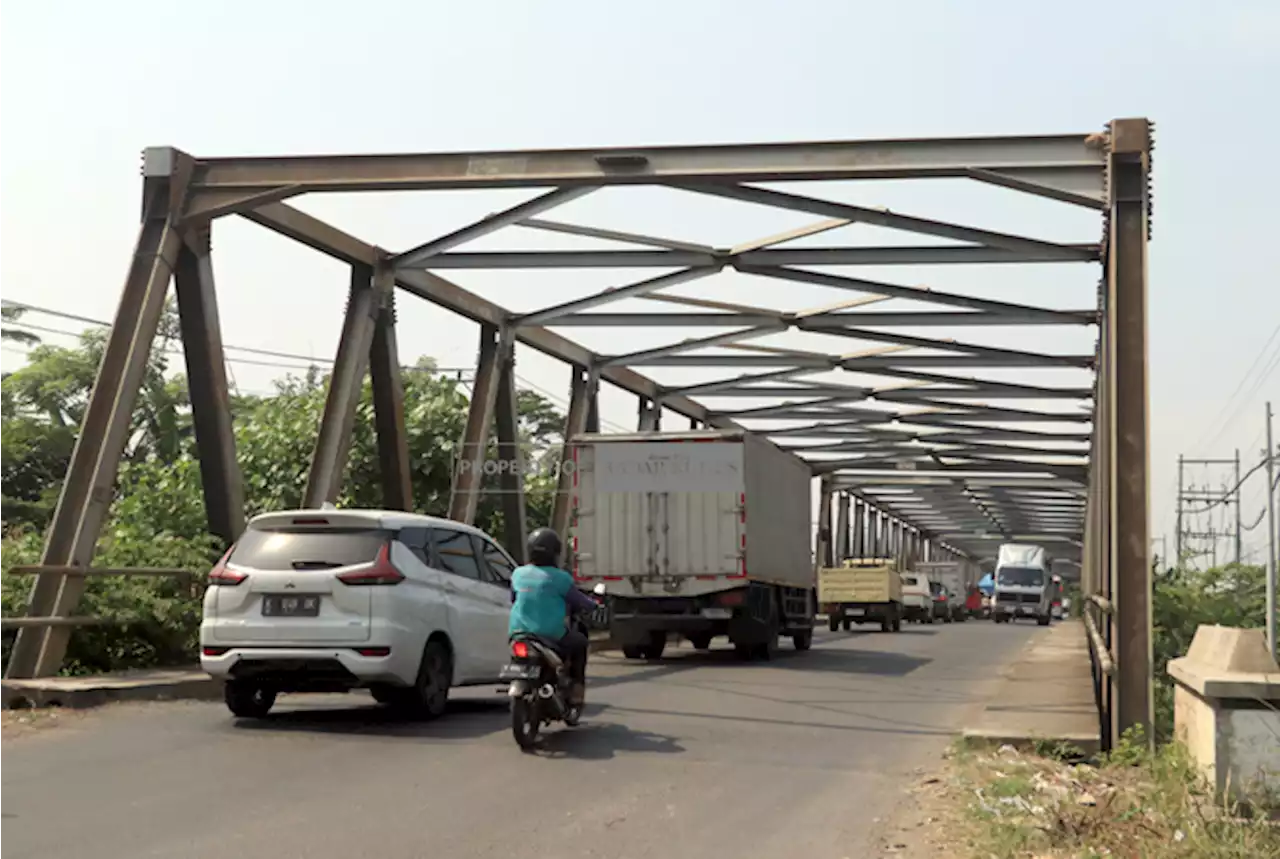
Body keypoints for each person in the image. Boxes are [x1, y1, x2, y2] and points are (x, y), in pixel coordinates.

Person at [508, 527, 595, 706]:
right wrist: (594, 605)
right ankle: (577, 689)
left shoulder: (518, 574)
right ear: (555, 552)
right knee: (580, 644)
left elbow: (513, 598)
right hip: (551, 635)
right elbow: (580, 601)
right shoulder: (561, 578)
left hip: (518, 633)